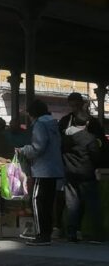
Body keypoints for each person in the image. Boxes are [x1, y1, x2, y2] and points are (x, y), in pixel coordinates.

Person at [17, 99, 64, 246]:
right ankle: (47, 234)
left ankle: (41, 235)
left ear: (33, 114)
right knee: (48, 203)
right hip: (54, 168)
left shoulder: (40, 125)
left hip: (42, 169)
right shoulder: (53, 124)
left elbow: (38, 147)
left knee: (37, 201)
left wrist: (23, 150)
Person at [59, 94, 104, 242]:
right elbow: (97, 154)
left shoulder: (64, 136)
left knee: (71, 205)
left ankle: (71, 233)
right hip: (87, 173)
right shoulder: (89, 138)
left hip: (70, 172)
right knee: (92, 204)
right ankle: (96, 234)